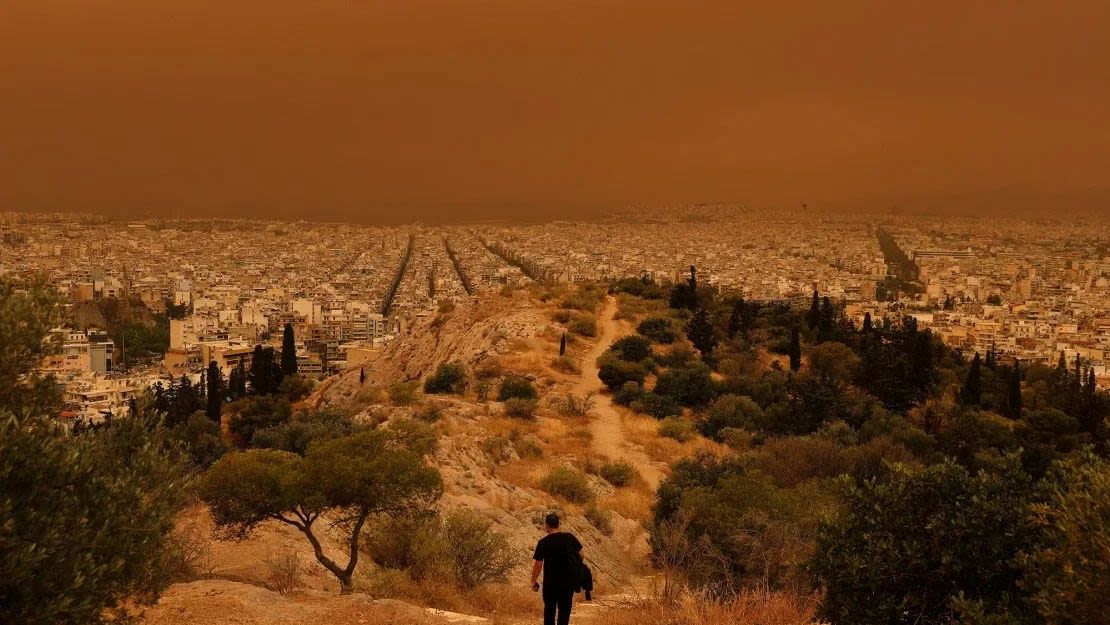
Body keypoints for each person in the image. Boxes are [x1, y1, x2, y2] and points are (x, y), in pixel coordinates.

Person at [531, 513, 583, 625]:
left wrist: (533, 580)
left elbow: (538, 564)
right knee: (564, 613)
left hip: (550, 584)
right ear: (558, 524)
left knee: (549, 612)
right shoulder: (569, 538)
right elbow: (582, 554)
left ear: (547, 525)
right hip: (567, 584)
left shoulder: (543, 542)